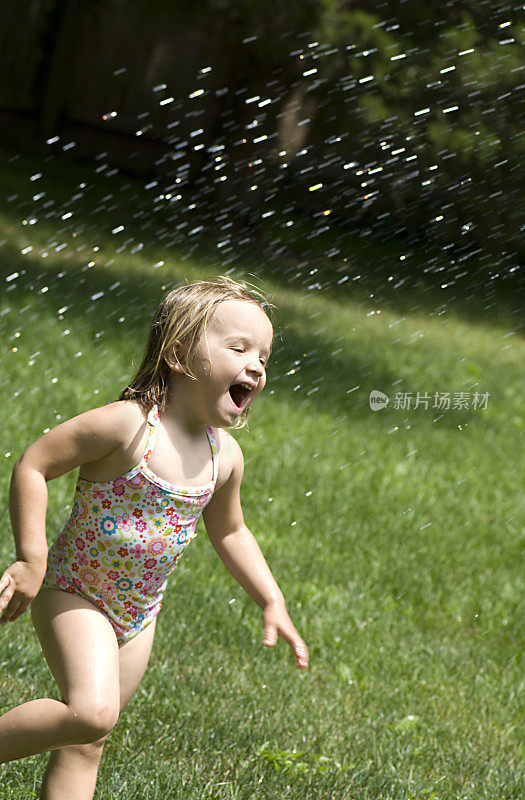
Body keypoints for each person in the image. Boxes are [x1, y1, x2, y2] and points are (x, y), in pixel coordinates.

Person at [0, 276, 309, 798]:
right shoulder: (129, 427)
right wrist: (32, 559)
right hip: (76, 591)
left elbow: (230, 530)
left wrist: (271, 598)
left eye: (264, 355)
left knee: (87, 740)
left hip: (140, 613)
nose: (256, 365)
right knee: (90, 712)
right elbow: (35, 464)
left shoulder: (224, 456)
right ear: (180, 355)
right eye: (238, 348)